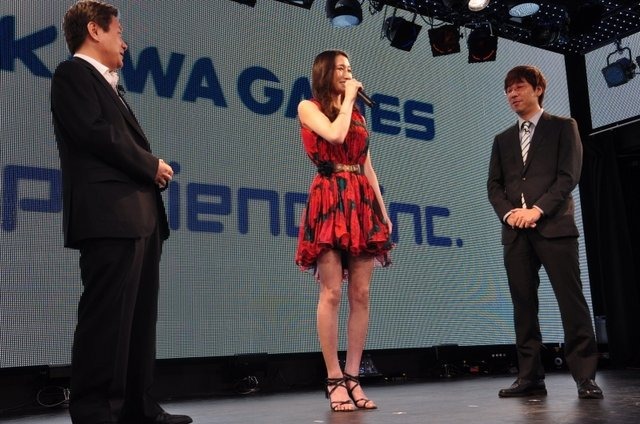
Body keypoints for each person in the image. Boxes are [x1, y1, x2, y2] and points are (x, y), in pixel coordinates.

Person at [50, 1, 192, 423]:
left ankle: (138, 408)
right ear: (94, 30)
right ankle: (96, 411)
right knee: (107, 319)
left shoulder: (109, 85)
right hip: (108, 216)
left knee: (139, 321)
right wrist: (151, 165)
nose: (124, 43)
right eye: (119, 32)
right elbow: (95, 134)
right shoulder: (72, 74)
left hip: (139, 218)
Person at [487, 65, 603, 399]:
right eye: (508, 90)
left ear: (538, 89)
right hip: (515, 233)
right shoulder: (502, 140)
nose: (512, 94)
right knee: (523, 305)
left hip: (554, 227)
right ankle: (529, 377)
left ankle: (585, 377)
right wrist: (510, 214)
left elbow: (568, 176)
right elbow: (494, 186)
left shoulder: (563, 127)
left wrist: (537, 210)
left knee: (571, 301)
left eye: (519, 87)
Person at [295, 50, 394, 412]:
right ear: (324, 72)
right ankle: (334, 377)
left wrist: (383, 212)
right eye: (341, 68)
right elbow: (335, 137)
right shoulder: (308, 107)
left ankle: (353, 375)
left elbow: (367, 165)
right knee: (332, 292)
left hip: (360, 200)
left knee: (362, 294)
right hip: (329, 196)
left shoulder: (358, 115)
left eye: (350, 69)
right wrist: (350, 98)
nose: (348, 74)